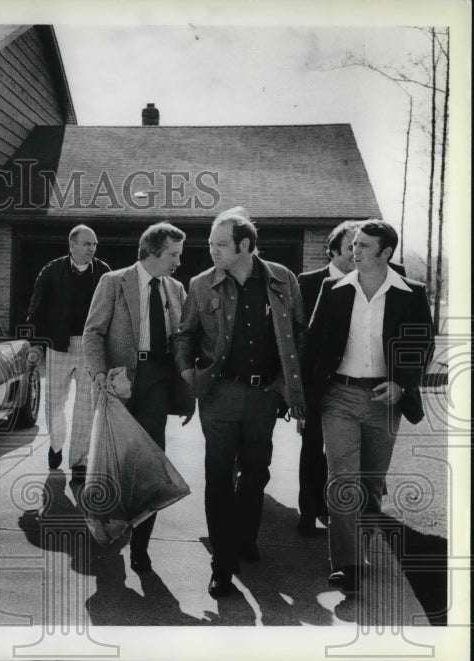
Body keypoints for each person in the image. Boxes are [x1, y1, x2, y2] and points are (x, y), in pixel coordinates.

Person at [174, 206, 307, 598]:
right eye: (211, 243)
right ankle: (222, 565)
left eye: (220, 244)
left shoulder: (283, 279)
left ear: (245, 245)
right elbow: (184, 336)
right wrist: (188, 374)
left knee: (255, 473)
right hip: (219, 395)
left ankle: (246, 539)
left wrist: (285, 385)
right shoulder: (201, 284)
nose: (211, 250)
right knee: (218, 479)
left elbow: (299, 334)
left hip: (264, 396)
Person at [305, 220, 433, 594]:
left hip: (384, 400)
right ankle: (347, 565)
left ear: (386, 253)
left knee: (371, 484)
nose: (355, 251)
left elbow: (420, 345)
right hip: (339, 397)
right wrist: (305, 398)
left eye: (364, 246)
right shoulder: (333, 290)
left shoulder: (411, 293)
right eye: (354, 245)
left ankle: (359, 551)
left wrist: (402, 383)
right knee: (342, 479)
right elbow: (313, 345)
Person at [83, 222, 193, 574]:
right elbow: (93, 332)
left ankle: (141, 548)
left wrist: (189, 387)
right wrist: (100, 374)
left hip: (158, 382)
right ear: (151, 252)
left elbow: (184, 341)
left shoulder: (176, 288)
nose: (178, 261)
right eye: (173, 254)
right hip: (119, 383)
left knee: (149, 464)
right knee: (113, 464)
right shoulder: (114, 282)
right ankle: (109, 529)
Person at [26, 225, 111, 480]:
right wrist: (34, 344)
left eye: (94, 244)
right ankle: (56, 445)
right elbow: (36, 307)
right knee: (54, 403)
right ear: (72, 245)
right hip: (59, 345)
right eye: (87, 244)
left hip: (90, 347)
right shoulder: (52, 271)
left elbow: (111, 310)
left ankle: (79, 463)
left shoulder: (104, 273)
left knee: (86, 406)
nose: (92, 249)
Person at [295, 220, 358, 536]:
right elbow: (300, 339)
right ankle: (308, 512)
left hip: (356, 382)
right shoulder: (307, 283)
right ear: (333, 250)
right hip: (319, 384)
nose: (356, 254)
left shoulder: (370, 281)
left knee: (345, 455)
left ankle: (337, 511)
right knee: (313, 448)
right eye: (350, 248)